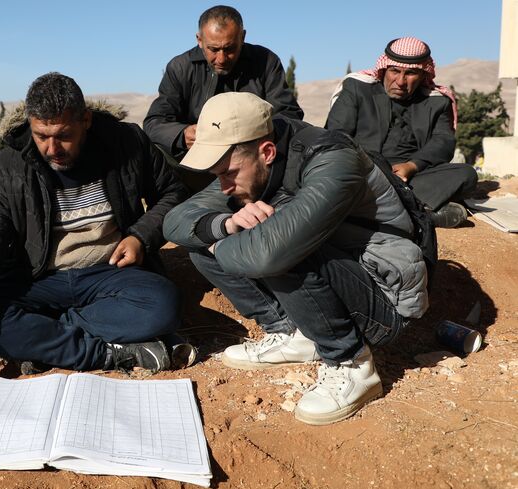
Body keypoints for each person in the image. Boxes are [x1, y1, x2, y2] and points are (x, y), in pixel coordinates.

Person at [163, 92, 429, 425]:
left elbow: (268, 255)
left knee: (278, 248)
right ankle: (293, 335)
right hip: (338, 267)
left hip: (384, 295)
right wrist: (225, 223)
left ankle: (352, 363)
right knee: (207, 234)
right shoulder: (246, 163)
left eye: (228, 174)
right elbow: (176, 221)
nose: (224, 186)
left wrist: (223, 243)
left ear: (267, 152)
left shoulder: (332, 159)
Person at [0, 72, 187, 375]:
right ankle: (108, 353)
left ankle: (43, 338)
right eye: (41, 136)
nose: (52, 148)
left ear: (86, 121)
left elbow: (174, 193)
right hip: (38, 277)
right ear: (30, 124)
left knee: (163, 305)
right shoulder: (10, 165)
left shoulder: (127, 143)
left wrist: (140, 237)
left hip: (109, 274)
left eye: (64, 135)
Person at [144, 5, 304, 192]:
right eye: (213, 49)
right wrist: (182, 135)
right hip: (198, 165)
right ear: (199, 40)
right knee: (157, 151)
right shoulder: (180, 67)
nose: (221, 58)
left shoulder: (265, 61)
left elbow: (289, 115)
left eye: (229, 49)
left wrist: (250, 134)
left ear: (242, 37)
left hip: (252, 163)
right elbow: (154, 123)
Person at [326, 36, 477, 228]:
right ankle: (418, 213)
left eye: (410, 73)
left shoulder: (437, 101)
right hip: (364, 172)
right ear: (384, 69)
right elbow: (336, 135)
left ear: (423, 75)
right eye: (394, 71)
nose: (400, 81)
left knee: (466, 174)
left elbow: (443, 142)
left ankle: (383, 212)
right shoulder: (358, 89)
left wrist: (412, 166)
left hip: (410, 178)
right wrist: (368, 167)